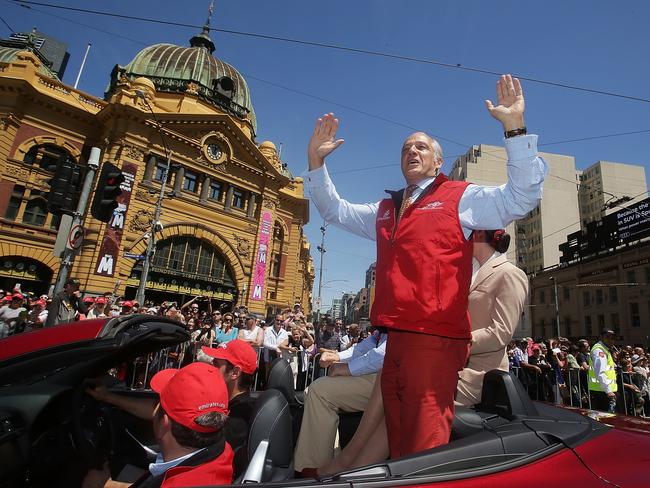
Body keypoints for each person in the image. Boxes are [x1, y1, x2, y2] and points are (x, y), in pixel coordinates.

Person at [306, 74, 546, 457]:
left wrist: (515, 128)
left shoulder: (459, 197)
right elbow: (335, 211)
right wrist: (317, 163)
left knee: (423, 448)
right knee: (398, 444)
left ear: (438, 161)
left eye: (421, 147)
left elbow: (522, 196)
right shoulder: (386, 209)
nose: (411, 152)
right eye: (405, 149)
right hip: (394, 340)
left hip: (435, 342)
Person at [82, 362, 233, 488]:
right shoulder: (222, 450)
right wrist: (107, 397)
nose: (154, 409)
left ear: (163, 424)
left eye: (159, 403)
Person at [293, 328, 387, 475]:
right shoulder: (383, 325)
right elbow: (368, 346)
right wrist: (337, 356)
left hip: (392, 376)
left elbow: (386, 352)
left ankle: (313, 468)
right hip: (383, 373)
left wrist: (349, 368)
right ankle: (330, 459)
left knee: (320, 391)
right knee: (314, 389)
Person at [456, 229, 528, 406]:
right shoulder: (466, 273)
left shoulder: (510, 273)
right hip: (452, 368)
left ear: (478, 234)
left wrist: (453, 343)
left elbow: (501, 332)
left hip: (477, 377)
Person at [588, 329, 618, 412]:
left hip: (603, 391)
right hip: (602, 392)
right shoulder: (599, 350)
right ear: (601, 337)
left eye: (612, 338)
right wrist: (608, 391)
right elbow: (600, 372)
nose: (611, 340)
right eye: (607, 337)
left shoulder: (605, 350)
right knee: (603, 420)